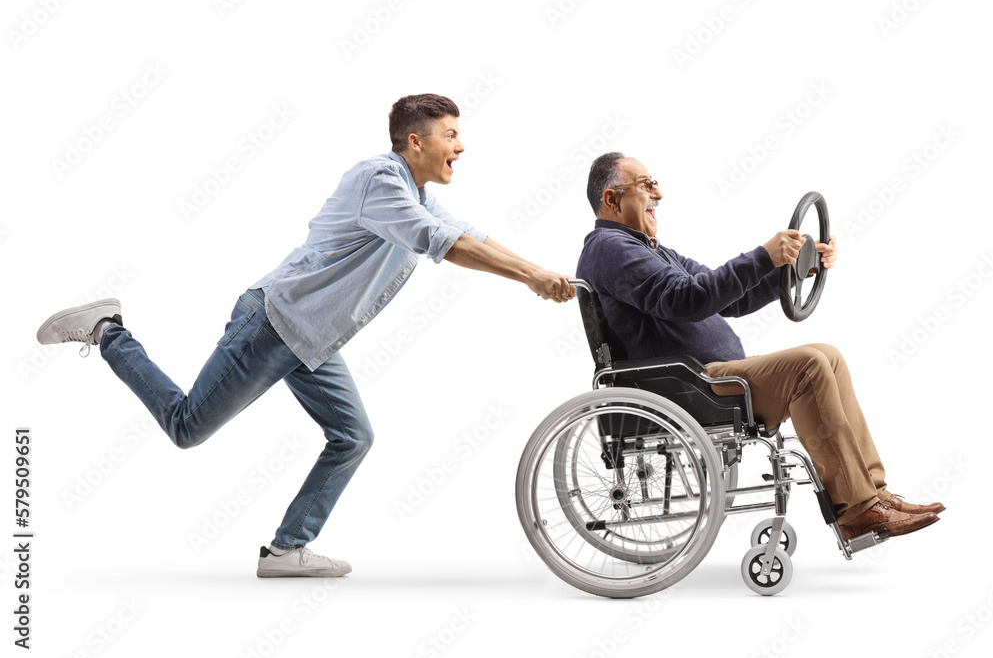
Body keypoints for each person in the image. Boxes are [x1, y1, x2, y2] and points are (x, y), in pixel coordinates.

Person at [36, 94, 575, 578]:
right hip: (273, 324)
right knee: (186, 428)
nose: (462, 144)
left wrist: (538, 271)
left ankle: (287, 549)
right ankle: (108, 330)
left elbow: (469, 234)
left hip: (311, 341)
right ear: (417, 141)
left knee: (352, 436)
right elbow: (439, 241)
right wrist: (530, 278)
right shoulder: (380, 180)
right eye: (452, 133)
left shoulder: (416, 192)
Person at [575, 152, 945, 542]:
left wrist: (796, 268)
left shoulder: (648, 248)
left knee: (828, 356)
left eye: (656, 182)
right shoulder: (610, 249)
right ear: (612, 199)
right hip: (689, 384)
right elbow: (687, 299)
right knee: (809, 365)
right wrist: (763, 256)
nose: (659, 194)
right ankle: (857, 511)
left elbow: (728, 298)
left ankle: (874, 493)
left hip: (710, 377)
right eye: (646, 185)